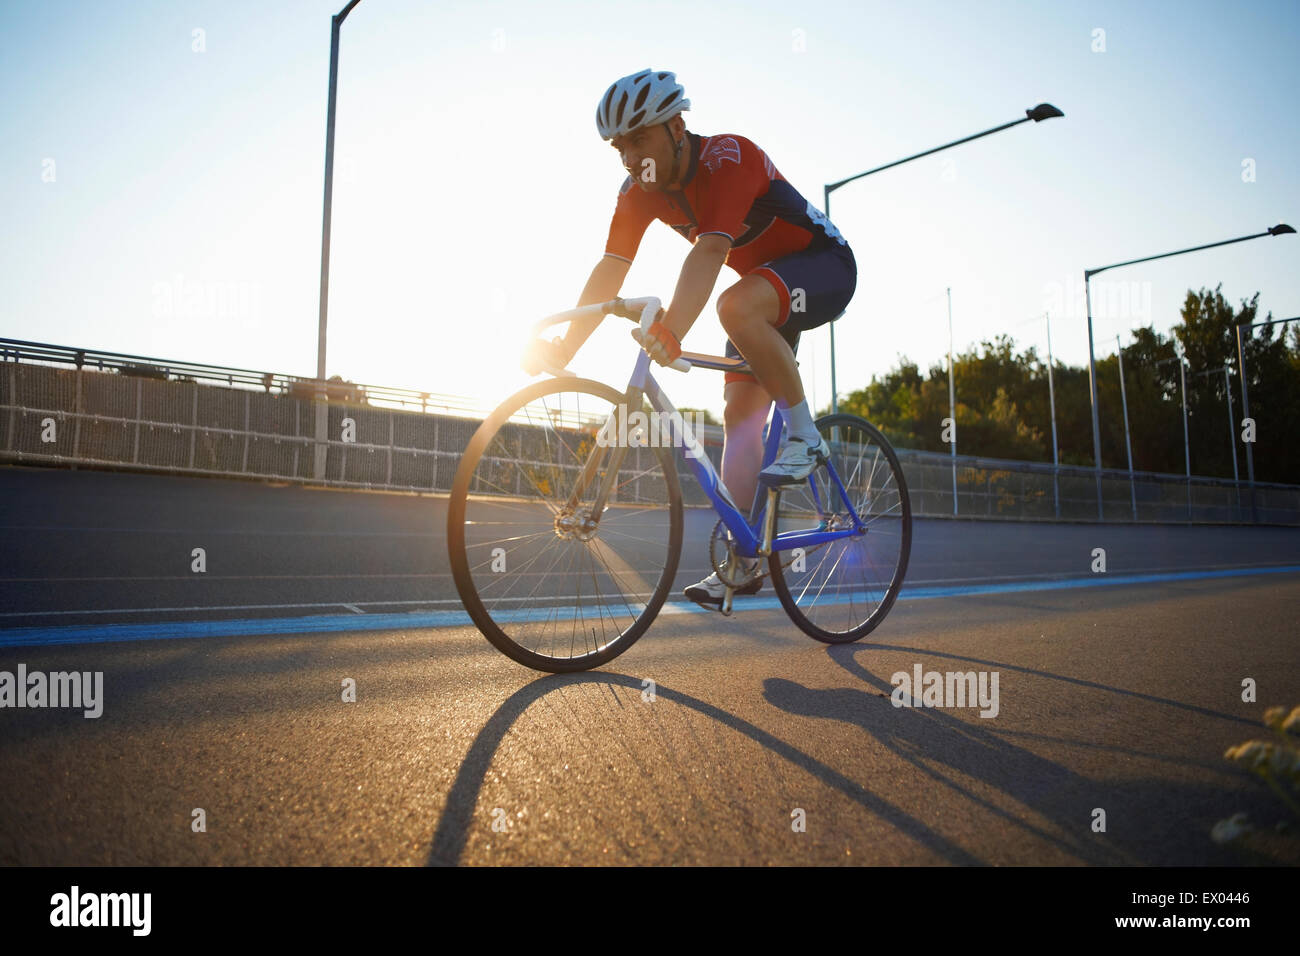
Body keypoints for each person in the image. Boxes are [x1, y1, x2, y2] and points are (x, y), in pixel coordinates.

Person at [523, 68, 857, 611]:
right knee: (739, 418)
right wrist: (566, 348)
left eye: (639, 138)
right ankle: (745, 562)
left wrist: (672, 331)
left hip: (824, 267)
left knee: (733, 305)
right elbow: (610, 269)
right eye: (619, 147)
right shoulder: (638, 192)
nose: (630, 157)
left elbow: (708, 253)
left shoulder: (729, 157)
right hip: (764, 294)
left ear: (677, 126)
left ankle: (807, 437)